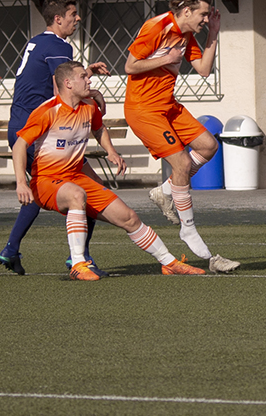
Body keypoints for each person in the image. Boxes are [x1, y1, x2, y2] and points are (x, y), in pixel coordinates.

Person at [13, 61, 205, 280]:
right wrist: (21, 183)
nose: (89, 80)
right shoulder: (48, 111)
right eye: (83, 77)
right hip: (46, 181)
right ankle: (78, 264)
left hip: (76, 178)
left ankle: (169, 262)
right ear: (68, 83)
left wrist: (111, 151)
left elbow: (98, 128)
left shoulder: (88, 106)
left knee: (129, 218)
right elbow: (19, 145)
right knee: (77, 195)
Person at [126, 0, 239, 273]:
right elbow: (130, 65)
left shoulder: (187, 35)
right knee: (182, 164)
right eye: (203, 15)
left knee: (208, 146)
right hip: (144, 109)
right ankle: (188, 229)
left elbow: (203, 69)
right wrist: (165, 59)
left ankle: (165, 191)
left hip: (168, 106)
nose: (205, 19)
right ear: (186, 11)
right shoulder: (156, 27)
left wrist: (213, 33)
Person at [0, 0, 110, 276]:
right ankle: (79, 257)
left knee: (39, 191)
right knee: (92, 189)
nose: (78, 18)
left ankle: (11, 249)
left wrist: (86, 72)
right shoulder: (60, 47)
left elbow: (56, 80)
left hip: (20, 125)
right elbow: (62, 91)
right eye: (73, 14)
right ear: (58, 19)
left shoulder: (38, 41)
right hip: (37, 132)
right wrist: (92, 93)